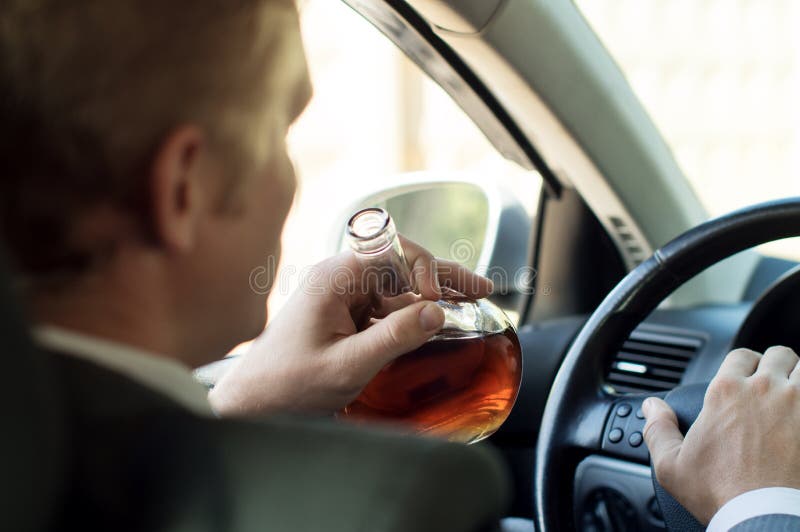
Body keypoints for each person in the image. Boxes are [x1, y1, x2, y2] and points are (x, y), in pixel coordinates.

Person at [0, 1, 797, 531]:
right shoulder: (395, 507)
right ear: (185, 188)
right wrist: (758, 505)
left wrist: (241, 408)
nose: (290, 176)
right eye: (284, 132)